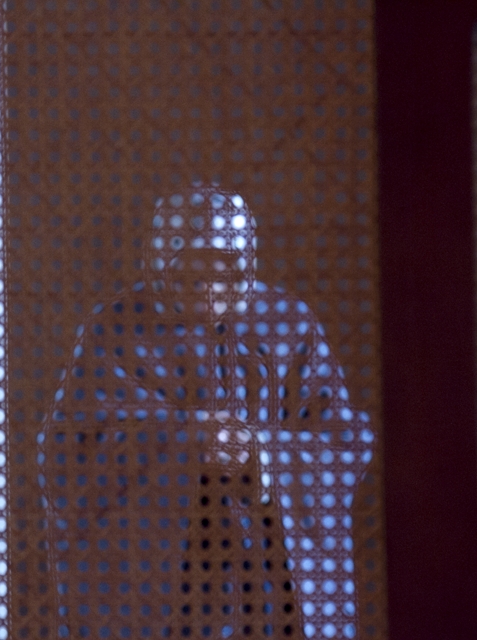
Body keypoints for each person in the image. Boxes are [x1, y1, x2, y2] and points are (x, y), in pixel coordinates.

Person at [38, 184, 374, 639]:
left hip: (270, 587)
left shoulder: (289, 324)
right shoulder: (116, 329)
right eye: (191, 276)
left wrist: (261, 453)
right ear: (161, 267)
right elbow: (68, 457)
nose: (208, 290)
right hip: (170, 592)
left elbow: (345, 443)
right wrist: (187, 438)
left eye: (223, 274)